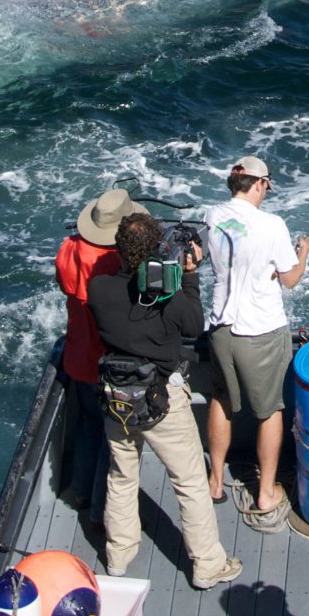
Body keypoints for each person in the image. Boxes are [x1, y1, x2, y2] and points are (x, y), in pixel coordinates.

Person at [86, 212, 242, 589]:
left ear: (118, 249)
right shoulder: (167, 299)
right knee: (188, 481)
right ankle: (207, 565)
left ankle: (118, 555)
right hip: (160, 398)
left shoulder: (98, 290)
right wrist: (189, 276)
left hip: (117, 395)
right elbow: (193, 325)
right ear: (157, 249)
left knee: (121, 476)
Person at [202, 154, 309, 520]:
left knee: (221, 398)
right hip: (259, 332)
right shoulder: (272, 224)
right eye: (266, 186)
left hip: (220, 328)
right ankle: (265, 494)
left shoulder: (212, 216)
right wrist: (303, 254)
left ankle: (215, 481)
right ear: (260, 183)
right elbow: (290, 279)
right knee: (269, 412)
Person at [54, 186, 147, 518]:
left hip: (78, 356)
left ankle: (79, 492)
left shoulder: (68, 249)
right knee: (114, 441)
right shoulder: (115, 263)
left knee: (89, 427)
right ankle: (99, 512)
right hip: (111, 364)